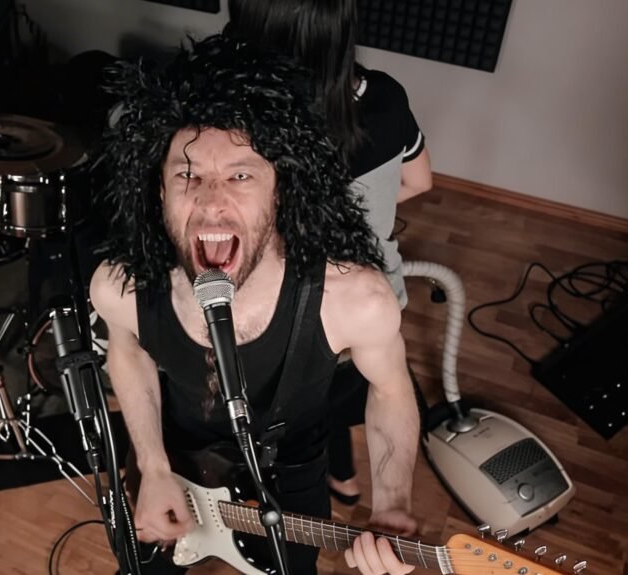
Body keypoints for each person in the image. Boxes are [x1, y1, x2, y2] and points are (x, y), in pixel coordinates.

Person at [90, 35, 419, 574]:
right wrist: (151, 466)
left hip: (288, 482)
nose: (211, 200)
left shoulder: (355, 300)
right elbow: (127, 350)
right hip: (169, 466)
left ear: (281, 189)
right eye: (187, 176)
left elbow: (390, 388)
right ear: (159, 193)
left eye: (240, 175)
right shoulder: (119, 286)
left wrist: (393, 504)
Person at [225, 0, 433, 506]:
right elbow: (419, 180)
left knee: (301, 419)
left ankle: (310, 485)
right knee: (340, 395)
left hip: (287, 324)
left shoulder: (234, 126)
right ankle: (344, 477)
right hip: (373, 307)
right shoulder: (383, 96)